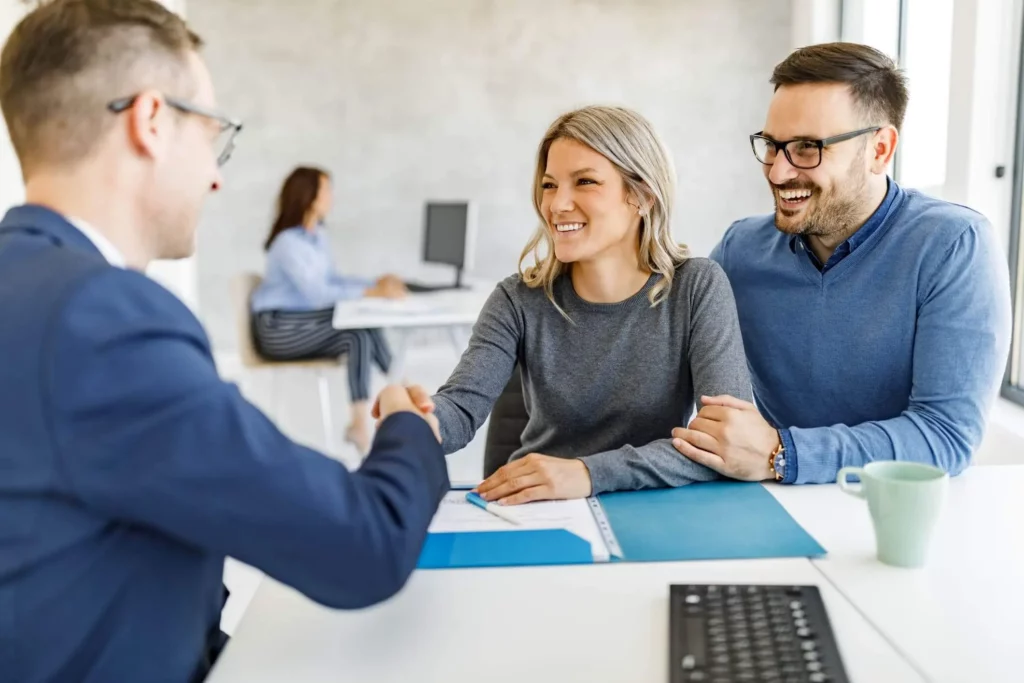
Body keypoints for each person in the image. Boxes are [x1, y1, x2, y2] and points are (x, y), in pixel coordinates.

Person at [0, 2, 446, 682]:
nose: (216, 175)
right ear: (151, 120)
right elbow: (365, 542)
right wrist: (409, 426)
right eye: (214, 135)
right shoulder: (102, 316)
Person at [672, 42, 1012, 485]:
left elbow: (945, 436)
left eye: (808, 148)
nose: (778, 172)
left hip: (888, 515)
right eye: (773, 146)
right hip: (767, 505)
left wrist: (782, 453)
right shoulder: (739, 250)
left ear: (880, 149)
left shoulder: (953, 246)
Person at [399, 105, 751, 506]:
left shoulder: (696, 287)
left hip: (652, 506)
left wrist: (587, 473)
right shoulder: (517, 300)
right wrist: (421, 421)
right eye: (549, 185)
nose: (557, 204)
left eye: (584, 182)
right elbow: (460, 409)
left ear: (641, 196)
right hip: (538, 511)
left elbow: (724, 441)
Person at [251, 165, 406, 453]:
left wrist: (374, 283)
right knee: (355, 334)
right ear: (309, 196)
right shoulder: (288, 243)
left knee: (364, 325)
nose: (332, 197)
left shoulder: (318, 235)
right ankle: (361, 424)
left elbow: (332, 280)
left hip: (302, 319)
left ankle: (400, 384)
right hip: (278, 329)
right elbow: (317, 293)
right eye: (327, 190)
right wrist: (372, 292)